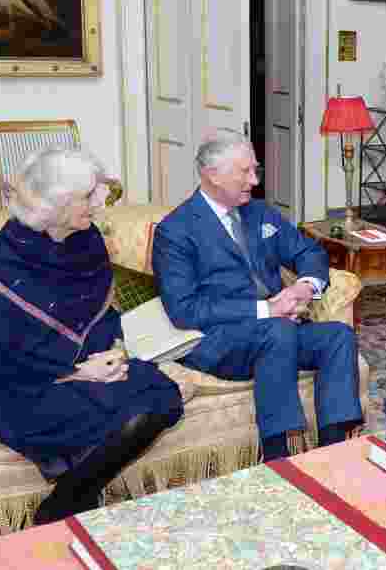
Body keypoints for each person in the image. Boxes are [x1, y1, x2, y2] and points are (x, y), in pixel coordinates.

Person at [0, 146, 183, 525]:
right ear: (57, 203)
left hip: (93, 368)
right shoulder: (0, 257)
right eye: (87, 196)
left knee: (165, 396)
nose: (97, 204)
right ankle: (68, 504)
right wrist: (78, 372)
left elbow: (101, 316)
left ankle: (67, 497)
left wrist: (109, 355)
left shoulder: (88, 240)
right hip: (28, 385)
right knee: (136, 410)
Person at [151, 129, 363, 462]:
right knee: (276, 330)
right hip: (219, 341)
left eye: (255, 170)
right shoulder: (175, 231)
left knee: (338, 336)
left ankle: (335, 455)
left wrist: (305, 286)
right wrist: (267, 309)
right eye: (245, 172)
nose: (254, 180)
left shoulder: (259, 212)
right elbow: (184, 309)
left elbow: (309, 252)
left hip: (277, 331)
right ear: (213, 175)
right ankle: (279, 457)